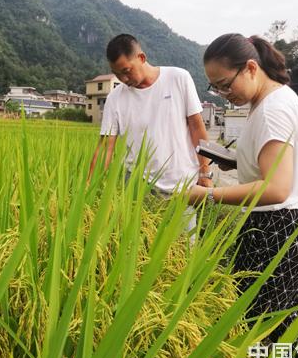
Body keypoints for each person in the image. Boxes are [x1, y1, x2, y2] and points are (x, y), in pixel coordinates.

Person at [189, 33, 298, 358]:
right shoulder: (269, 102)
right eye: (215, 88)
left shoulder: (273, 111)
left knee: (273, 328)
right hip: (283, 228)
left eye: (224, 84)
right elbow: (270, 168)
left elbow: (276, 188)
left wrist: (209, 196)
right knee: (276, 324)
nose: (223, 93)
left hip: (279, 231)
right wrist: (237, 162)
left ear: (250, 68)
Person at [88, 34, 213, 234]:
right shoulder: (115, 99)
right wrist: (88, 189)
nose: (123, 79)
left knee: (183, 250)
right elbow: (105, 148)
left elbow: (197, 128)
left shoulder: (178, 78)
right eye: (117, 74)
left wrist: (205, 171)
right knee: (137, 248)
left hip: (182, 186)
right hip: (138, 186)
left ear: (142, 58)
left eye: (126, 71)